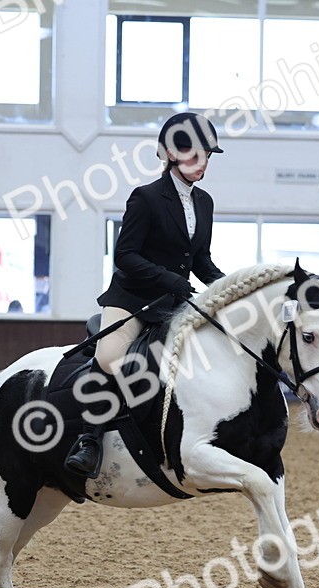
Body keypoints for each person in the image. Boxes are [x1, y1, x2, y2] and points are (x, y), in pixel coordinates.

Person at [64, 112, 226, 478]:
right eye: (194, 155)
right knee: (109, 357)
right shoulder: (146, 198)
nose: (202, 164)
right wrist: (168, 279)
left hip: (174, 305)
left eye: (207, 157)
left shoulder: (205, 203)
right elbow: (125, 255)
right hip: (133, 300)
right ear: (171, 154)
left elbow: (200, 259)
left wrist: (227, 287)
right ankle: (89, 441)